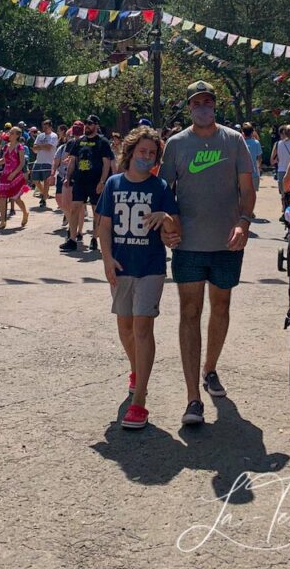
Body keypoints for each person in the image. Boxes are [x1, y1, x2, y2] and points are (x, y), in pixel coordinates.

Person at [160, 81, 255, 426]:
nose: (202, 107)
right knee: (189, 311)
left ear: (215, 106)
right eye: (196, 103)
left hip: (227, 242)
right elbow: (163, 192)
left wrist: (244, 222)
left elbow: (247, 187)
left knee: (221, 307)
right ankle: (192, 398)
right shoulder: (176, 144)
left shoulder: (233, 140)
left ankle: (210, 368)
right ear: (189, 108)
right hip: (188, 245)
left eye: (208, 102)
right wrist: (167, 225)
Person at [97, 126, 181, 429]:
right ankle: (136, 370)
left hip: (151, 267)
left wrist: (167, 219)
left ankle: (140, 400)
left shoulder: (160, 188)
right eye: (142, 151)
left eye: (152, 153)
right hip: (121, 266)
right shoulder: (114, 184)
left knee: (143, 327)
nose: (146, 157)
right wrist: (106, 259)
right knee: (125, 326)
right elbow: (104, 226)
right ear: (130, 152)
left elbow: (175, 232)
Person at [61, 116, 113, 253]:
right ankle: (72, 240)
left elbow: (107, 164)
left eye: (90, 123)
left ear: (96, 125)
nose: (87, 126)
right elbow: (73, 161)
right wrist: (68, 177)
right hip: (80, 180)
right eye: (86, 123)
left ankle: (95, 238)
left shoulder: (103, 142)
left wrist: (103, 181)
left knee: (96, 211)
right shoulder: (79, 141)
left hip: (95, 182)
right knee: (74, 208)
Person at [0, 127, 31, 230]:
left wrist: (14, 174)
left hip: (15, 175)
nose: (10, 134)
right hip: (5, 174)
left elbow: (22, 163)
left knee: (16, 198)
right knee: (2, 197)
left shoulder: (20, 147)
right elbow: (4, 160)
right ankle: (3, 221)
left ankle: (25, 213)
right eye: (10, 132)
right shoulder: (6, 147)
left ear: (17, 135)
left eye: (12, 133)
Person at [32, 120, 58, 210]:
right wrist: (42, 146)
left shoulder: (53, 136)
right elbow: (34, 148)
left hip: (48, 162)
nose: (44, 128)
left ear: (50, 126)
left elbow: (49, 147)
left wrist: (40, 146)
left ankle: (43, 199)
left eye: (46, 126)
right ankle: (45, 194)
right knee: (35, 180)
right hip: (38, 161)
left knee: (46, 181)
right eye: (43, 126)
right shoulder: (40, 136)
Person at [276, 125, 290, 211]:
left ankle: (283, 207)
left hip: (281, 169)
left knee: (283, 192)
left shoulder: (279, 143)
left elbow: (278, 157)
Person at [241, 123, 262, 192]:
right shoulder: (256, 143)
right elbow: (259, 158)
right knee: (252, 193)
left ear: (242, 132)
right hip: (254, 172)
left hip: (241, 173)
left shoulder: (240, 142)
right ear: (252, 132)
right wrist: (259, 167)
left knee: (242, 193)